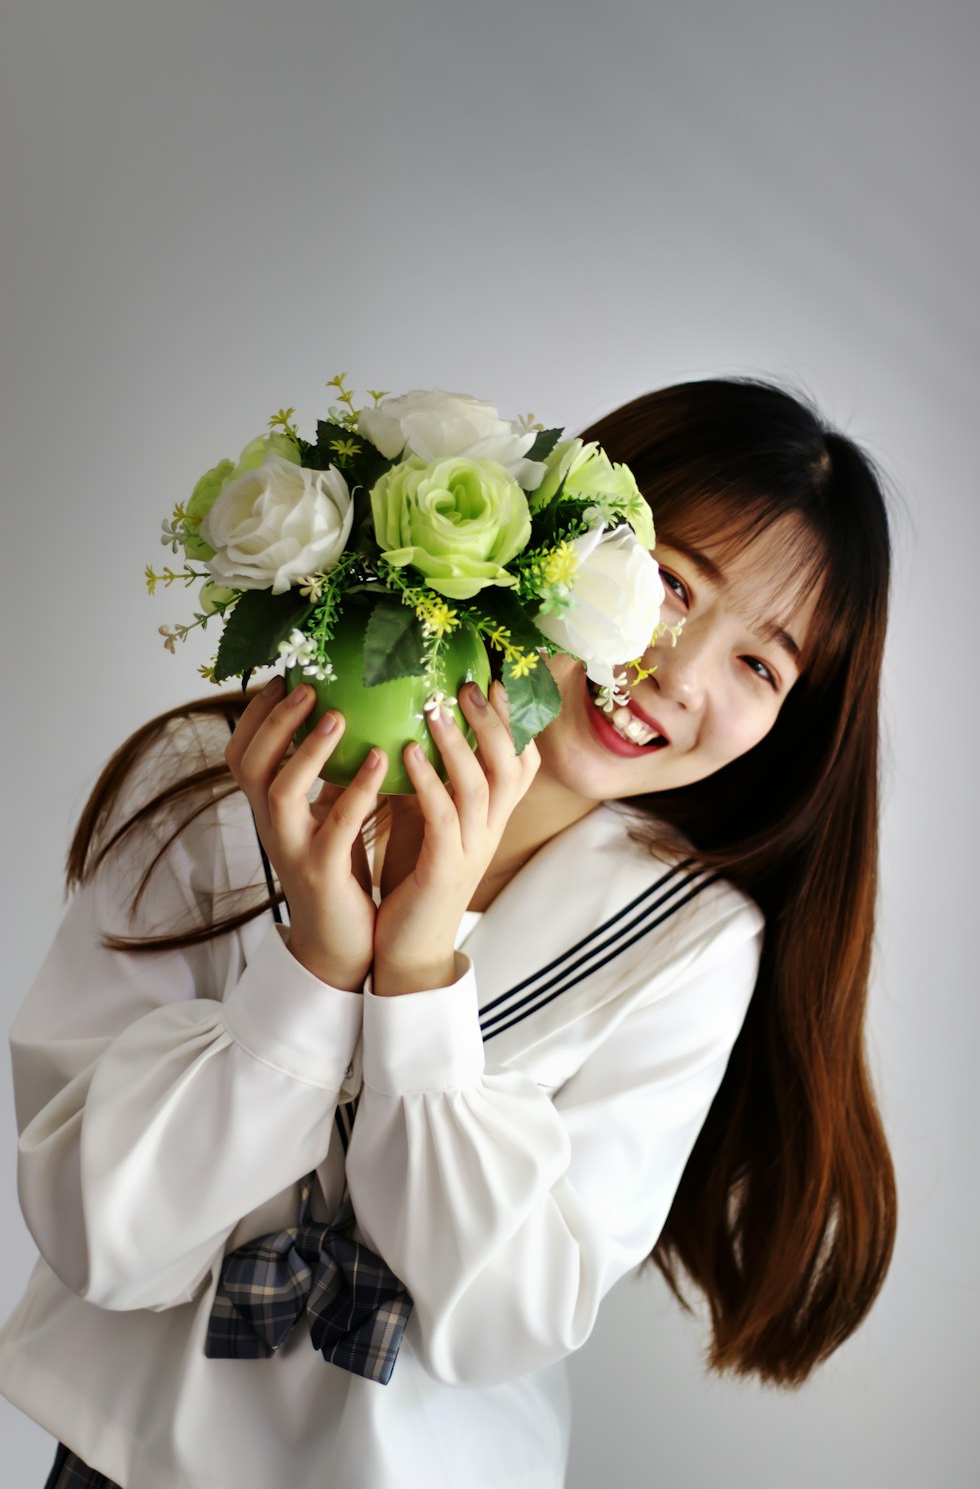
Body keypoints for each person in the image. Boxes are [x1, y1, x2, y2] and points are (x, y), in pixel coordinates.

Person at [0, 378, 898, 1489]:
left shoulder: (691, 944)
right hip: (122, 1458)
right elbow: (99, 1234)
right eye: (670, 584)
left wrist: (418, 981)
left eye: (762, 664)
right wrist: (319, 963)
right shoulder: (220, 783)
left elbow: (508, 1317)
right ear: (547, 542)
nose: (677, 670)